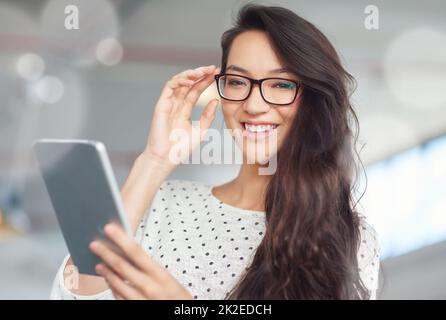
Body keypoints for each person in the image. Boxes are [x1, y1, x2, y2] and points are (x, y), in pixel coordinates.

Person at [50, 4, 380, 300]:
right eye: (238, 81)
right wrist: (153, 161)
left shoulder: (348, 235)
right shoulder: (163, 204)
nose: (253, 105)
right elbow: (73, 296)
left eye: (281, 84)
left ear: (313, 101)